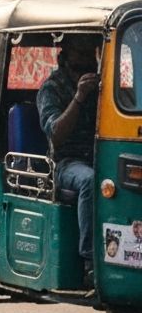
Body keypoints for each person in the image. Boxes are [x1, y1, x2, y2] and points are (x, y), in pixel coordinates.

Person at [37, 33, 100, 286]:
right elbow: (56, 135)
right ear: (65, 56)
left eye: (90, 53)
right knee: (90, 180)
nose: (86, 59)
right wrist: (79, 97)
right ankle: (90, 261)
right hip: (66, 163)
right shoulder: (52, 88)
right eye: (80, 53)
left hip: (100, 155)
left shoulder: (102, 85)